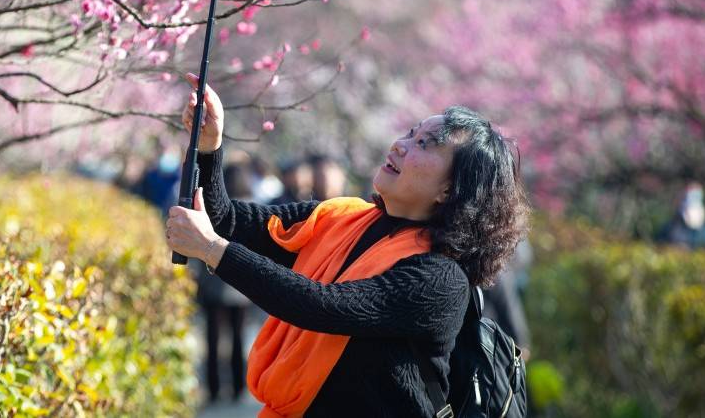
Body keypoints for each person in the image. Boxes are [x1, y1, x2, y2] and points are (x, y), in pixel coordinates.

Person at [166, 73, 530, 417]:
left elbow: (324, 306)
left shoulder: (441, 278)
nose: (399, 145)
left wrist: (214, 250)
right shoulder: (342, 218)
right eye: (410, 133)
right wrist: (209, 147)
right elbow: (226, 220)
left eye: (424, 144)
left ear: (450, 190)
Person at [194, 162, 255, 404]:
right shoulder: (250, 205)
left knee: (213, 338)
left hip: (213, 282)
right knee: (239, 338)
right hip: (240, 286)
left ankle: (214, 387)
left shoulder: (212, 206)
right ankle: (239, 386)